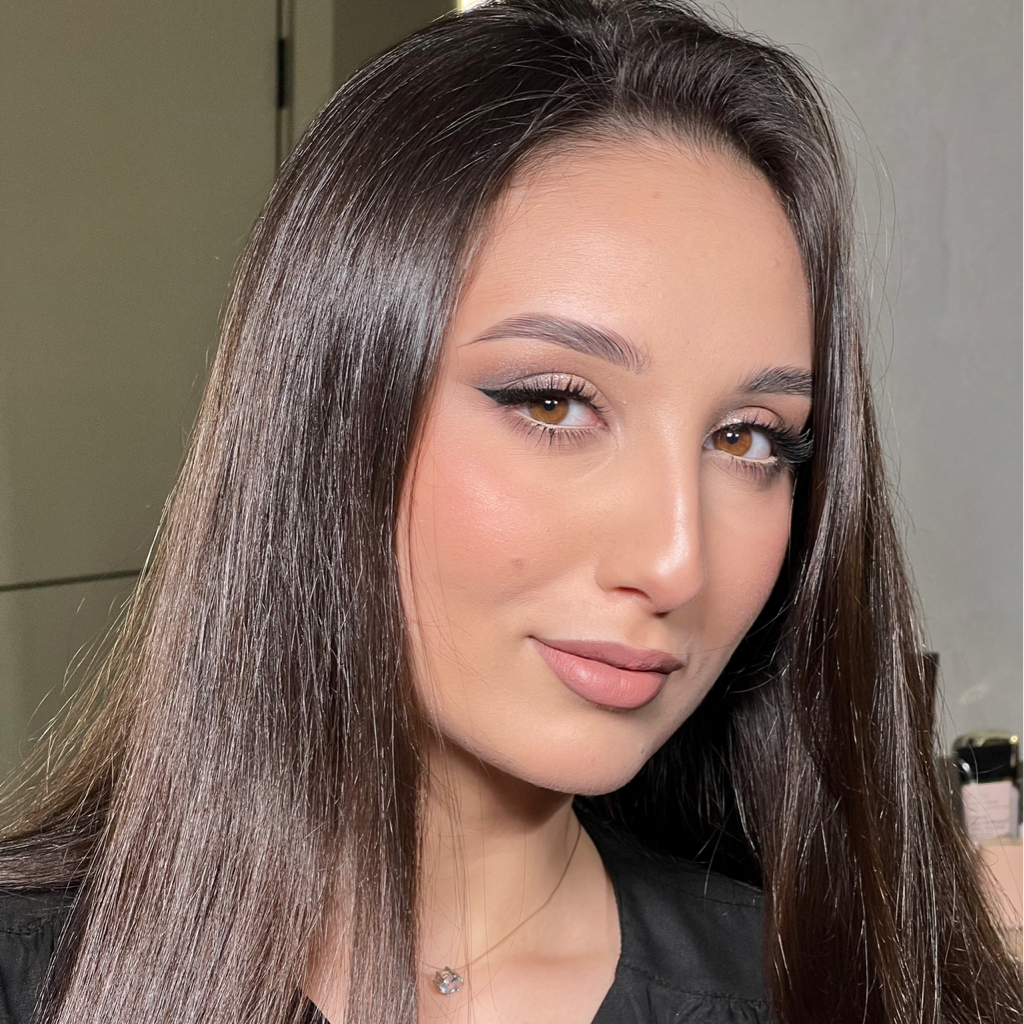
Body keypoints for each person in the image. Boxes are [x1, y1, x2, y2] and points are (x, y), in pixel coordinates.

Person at [0, 1, 1018, 1022]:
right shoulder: (34, 973)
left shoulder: (826, 993)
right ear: (329, 414)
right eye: (554, 403)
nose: (678, 562)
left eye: (748, 438)